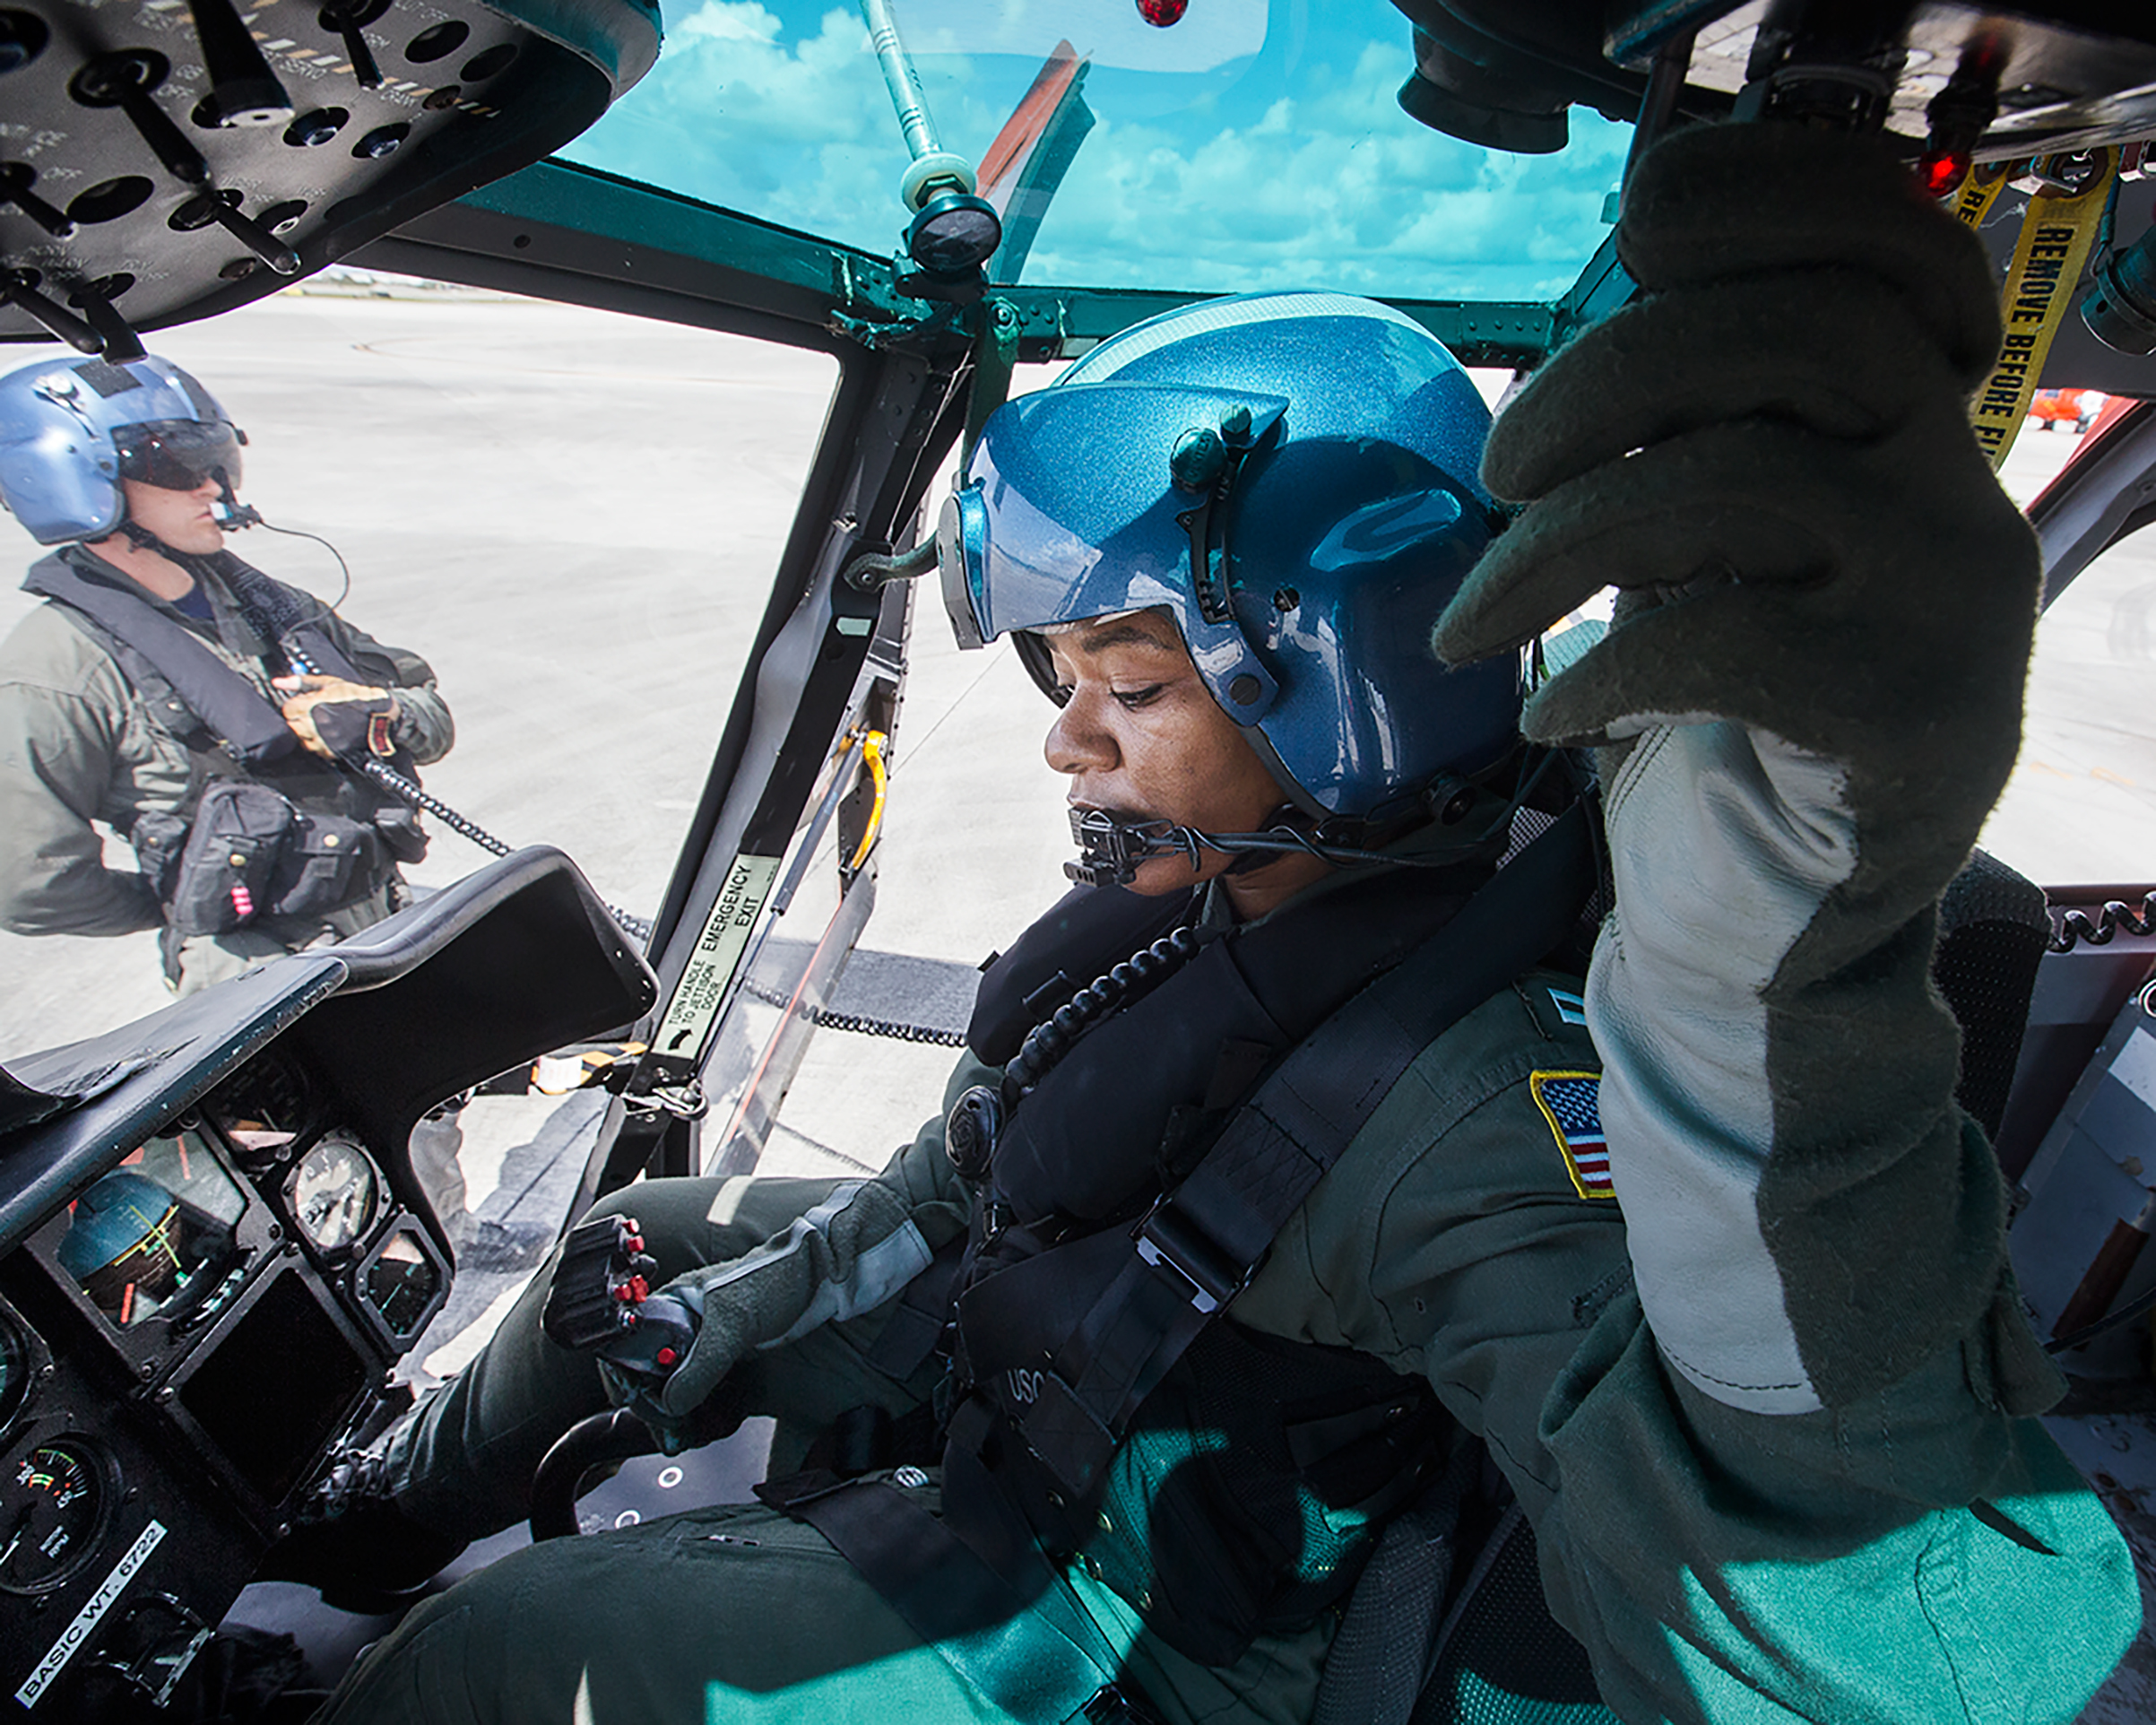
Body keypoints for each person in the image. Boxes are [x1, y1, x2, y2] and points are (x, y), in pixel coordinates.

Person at [302, 126, 2138, 1725]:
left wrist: (1770, 1035)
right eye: (1063, 677)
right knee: (634, 1240)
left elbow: (1883, 1670)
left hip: (1143, 1615)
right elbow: (1000, 1150)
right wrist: (760, 1293)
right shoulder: (1241, 884)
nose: (1064, 740)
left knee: (506, 1648)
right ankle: (347, 1535)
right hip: (1057, 1349)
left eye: (1129, 684)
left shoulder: (1482, 1120)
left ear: (1343, 694)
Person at [0, 351, 467, 1223]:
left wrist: (375, 715)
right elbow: (31, 884)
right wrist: (180, 897)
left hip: (379, 922)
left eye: (218, 459)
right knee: (316, 1187)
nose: (214, 487)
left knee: (425, 1135)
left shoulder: (268, 605)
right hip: (255, 978)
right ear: (76, 482)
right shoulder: (56, 664)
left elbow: (428, 712)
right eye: (180, 466)